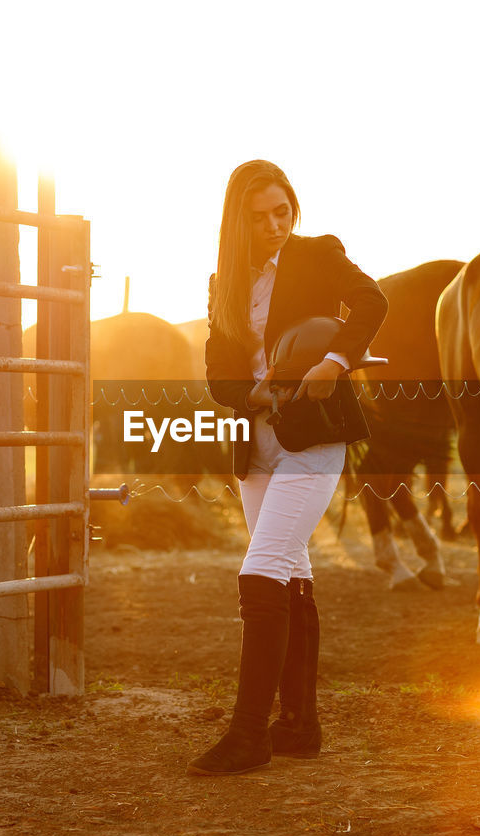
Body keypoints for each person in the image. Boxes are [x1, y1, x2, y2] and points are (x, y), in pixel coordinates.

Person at [189, 160, 388, 776]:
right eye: (259, 217)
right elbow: (219, 372)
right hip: (255, 442)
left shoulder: (318, 255)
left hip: (315, 435)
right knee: (291, 567)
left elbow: (371, 302)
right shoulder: (226, 282)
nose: (275, 225)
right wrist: (252, 396)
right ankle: (300, 726)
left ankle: (249, 736)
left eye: (283, 210)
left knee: (262, 568)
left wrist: (334, 360)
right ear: (236, 221)